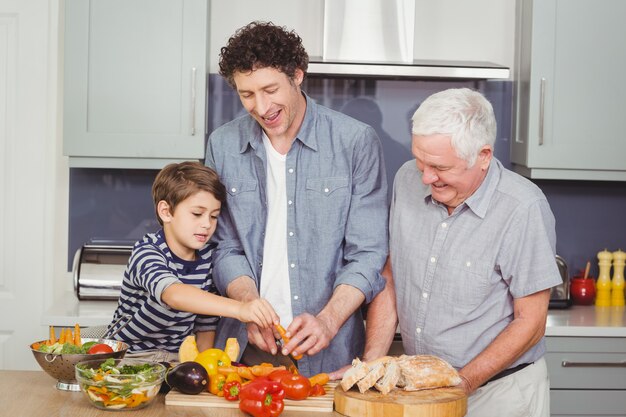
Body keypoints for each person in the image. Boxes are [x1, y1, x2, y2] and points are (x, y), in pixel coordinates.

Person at [205, 21, 389, 376]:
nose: (261, 106)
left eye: (270, 89)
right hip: (245, 349)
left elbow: (368, 253)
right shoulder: (222, 145)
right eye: (247, 95)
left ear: (298, 76)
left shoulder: (354, 142)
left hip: (329, 350)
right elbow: (225, 247)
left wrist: (329, 320)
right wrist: (248, 306)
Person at [388, 88, 562, 416]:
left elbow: (531, 322)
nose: (425, 177)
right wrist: (371, 367)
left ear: (483, 156)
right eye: (419, 161)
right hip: (425, 391)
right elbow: (391, 277)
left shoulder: (523, 207)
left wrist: (462, 384)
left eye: (439, 167)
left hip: (500, 393)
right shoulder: (406, 181)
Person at [107, 161, 278, 361]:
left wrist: (205, 368)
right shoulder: (147, 252)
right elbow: (173, 294)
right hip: (125, 359)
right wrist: (241, 308)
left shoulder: (207, 260)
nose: (207, 224)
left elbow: (205, 328)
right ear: (166, 211)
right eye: (197, 214)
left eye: (214, 216)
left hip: (174, 362)